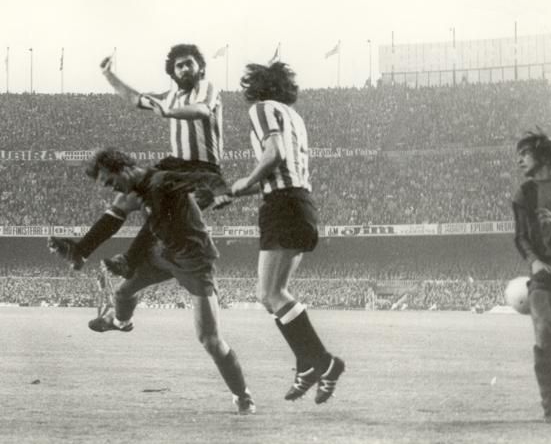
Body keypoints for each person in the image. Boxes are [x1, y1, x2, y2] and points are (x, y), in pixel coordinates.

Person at [53, 148, 255, 415]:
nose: (110, 187)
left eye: (110, 181)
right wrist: (80, 250)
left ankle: (243, 395)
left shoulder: (162, 180)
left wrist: (220, 191)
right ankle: (121, 322)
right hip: (160, 253)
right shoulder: (135, 191)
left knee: (210, 340)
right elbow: (112, 218)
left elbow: (205, 176)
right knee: (123, 294)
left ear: (123, 168)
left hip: (193, 260)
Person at [49, 44, 228, 278]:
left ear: (200, 68)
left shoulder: (207, 87)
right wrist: (108, 75)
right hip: (175, 164)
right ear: (172, 73)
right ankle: (81, 250)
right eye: (179, 65)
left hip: (202, 167)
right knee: (125, 198)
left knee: (160, 206)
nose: (184, 68)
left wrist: (170, 112)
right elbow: (135, 99)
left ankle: (130, 260)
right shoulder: (169, 97)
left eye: (189, 63)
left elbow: (203, 110)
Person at [230, 62, 344, 404]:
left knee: (269, 295)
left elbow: (274, 154)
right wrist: (233, 193)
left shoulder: (262, 109)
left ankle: (324, 363)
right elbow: (283, 166)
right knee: (277, 293)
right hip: (300, 203)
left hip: (282, 205)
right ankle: (306, 365)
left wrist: (244, 182)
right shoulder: (294, 117)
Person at [513, 130, 551, 424]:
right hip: (545, 274)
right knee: (543, 333)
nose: (519, 160)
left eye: (524, 153)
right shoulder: (524, 194)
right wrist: (533, 261)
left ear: (542, 154)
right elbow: (520, 236)